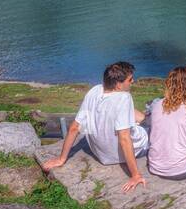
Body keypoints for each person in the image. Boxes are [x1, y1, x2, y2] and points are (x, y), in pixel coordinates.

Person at [43, 61, 148, 193]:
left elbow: (74, 128)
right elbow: (124, 138)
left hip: (100, 153)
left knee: (136, 115)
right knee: (149, 127)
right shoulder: (124, 98)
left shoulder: (94, 91)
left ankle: (144, 117)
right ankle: (147, 119)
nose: (133, 81)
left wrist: (61, 159)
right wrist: (135, 175)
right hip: (117, 154)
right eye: (130, 79)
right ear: (118, 84)